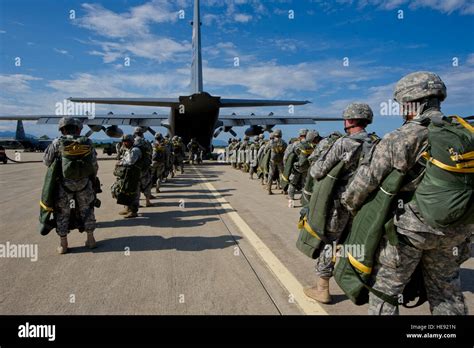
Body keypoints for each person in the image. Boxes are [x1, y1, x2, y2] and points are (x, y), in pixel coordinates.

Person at [341, 71, 473, 315]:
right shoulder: (463, 131)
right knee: (447, 292)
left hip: (411, 233)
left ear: (408, 102)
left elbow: (363, 184)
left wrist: (349, 206)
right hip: (458, 230)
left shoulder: (402, 137)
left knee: (385, 293)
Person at [304, 102, 377, 303]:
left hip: (339, 204)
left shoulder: (344, 143)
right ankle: (356, 284)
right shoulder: (376, 143)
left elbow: (318, 171)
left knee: (329, 242)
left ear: (351, 120)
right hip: (365, 205)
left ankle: (322, 288)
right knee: (355, 244)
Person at [43, 117, 98, 254]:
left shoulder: (57, 142)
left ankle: (63, 244)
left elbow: (47, 161)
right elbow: (94, 165)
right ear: (78, 129)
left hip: (63, 185)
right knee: (87, 209)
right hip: (84, 183)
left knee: (62, 212)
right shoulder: (88, 142)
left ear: (62, 129)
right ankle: (90, 240)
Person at [287, 130, 322, 204]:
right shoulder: (314, 144)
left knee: (293, 182)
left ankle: (291, 199)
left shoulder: (296, 143)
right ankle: (304, 199)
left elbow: (288, 155)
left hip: (298, 166)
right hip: (308, 167)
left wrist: (287, 166)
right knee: (305, 184)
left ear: (300, 135)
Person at [116, 134, 143, 218]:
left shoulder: (135, 150)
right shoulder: (128, 150)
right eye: (124, 141)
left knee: (133, 192)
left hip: (134, 175)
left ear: (131, 141)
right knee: (125, 191)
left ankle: (134, 211)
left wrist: (120, 163)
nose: (124, 143)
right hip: (128, 174)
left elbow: (131, 161)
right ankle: (127, 208)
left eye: (126, 141)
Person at [133, 127, 154, 207]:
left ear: (135, 133)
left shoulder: (133, 141)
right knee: (147, 184)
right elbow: (151, 152)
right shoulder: (146, 142)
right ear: (142, 133)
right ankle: (147, 201)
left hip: (135, 167)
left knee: (137, 185)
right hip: (145, 167)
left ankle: (137, 203)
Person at [267, 129, 287, 195]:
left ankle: (269, 190)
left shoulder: (271, 142)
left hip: (272, 160)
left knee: (271, 174)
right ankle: (284, 190)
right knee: (281, 174)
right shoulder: (284, 143)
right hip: (280, 160)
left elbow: (265, 150)